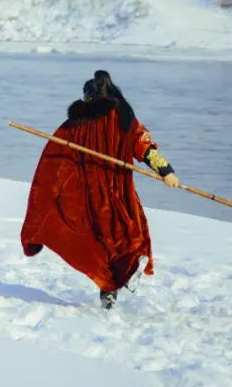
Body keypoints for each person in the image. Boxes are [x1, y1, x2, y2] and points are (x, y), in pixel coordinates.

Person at [20, 70, 180, 310]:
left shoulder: (74, 122)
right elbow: (142, 145)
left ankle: (111, 286)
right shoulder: (124, 116)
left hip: (87, 195)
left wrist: (54, 193)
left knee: (97, 241)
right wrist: (165, 170)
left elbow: (56, 161)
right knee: (126, 233)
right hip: (118, 191)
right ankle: (118, 280)